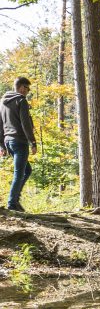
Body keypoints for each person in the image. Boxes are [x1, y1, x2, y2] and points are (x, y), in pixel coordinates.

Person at [0, 77, 37, 212]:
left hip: (8, 142)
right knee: (19, 173)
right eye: (27, 89)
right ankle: (12, 203)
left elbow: (0, 126)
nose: (28, 91)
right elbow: (25, 123)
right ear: (21, 87)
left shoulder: (2, 102)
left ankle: (15, 200)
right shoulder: (21, 100)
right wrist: (32, 142)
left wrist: (2, 146)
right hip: (20, 141)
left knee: (27, 170)